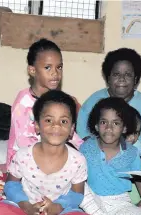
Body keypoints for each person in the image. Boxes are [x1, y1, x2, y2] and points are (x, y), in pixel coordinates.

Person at [0, 90, 97, 215]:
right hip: (24, 209)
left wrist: (57, 207)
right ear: (37, 125)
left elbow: (77, 193)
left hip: (58, 213)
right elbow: (11, 185)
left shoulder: (78, 160)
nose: (56, 126)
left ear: (72, 129)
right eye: (49, 120)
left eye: (63, 121)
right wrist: (27, 207)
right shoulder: (23, 155)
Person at [79, 97, 141, 215]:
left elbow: (138, 178)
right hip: (91, 202)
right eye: (104, 122)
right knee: (80, 190)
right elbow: (79, 182)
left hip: (119, 204)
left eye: (115, 123)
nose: (109, 128)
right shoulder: (86, 148)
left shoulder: (132, 153)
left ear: (124, 128)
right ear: (96, 126)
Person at [77, 48, 141, 167]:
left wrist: (126, 151)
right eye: (116, 74)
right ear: (108, 78)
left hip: (136, 154)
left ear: (136, 79)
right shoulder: (94, 101)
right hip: (96, 154)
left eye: (128, 74)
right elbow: (82, 136)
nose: (122, 79)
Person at [7, 38, 84, 168]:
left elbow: (72, 136)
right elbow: (25, 144)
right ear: (32, 70)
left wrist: (88, 148)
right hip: (25, 165)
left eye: (59, 67)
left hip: (56, 156)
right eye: (48, 67)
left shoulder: (60, 101)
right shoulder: (23, 103)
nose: (55, 73)